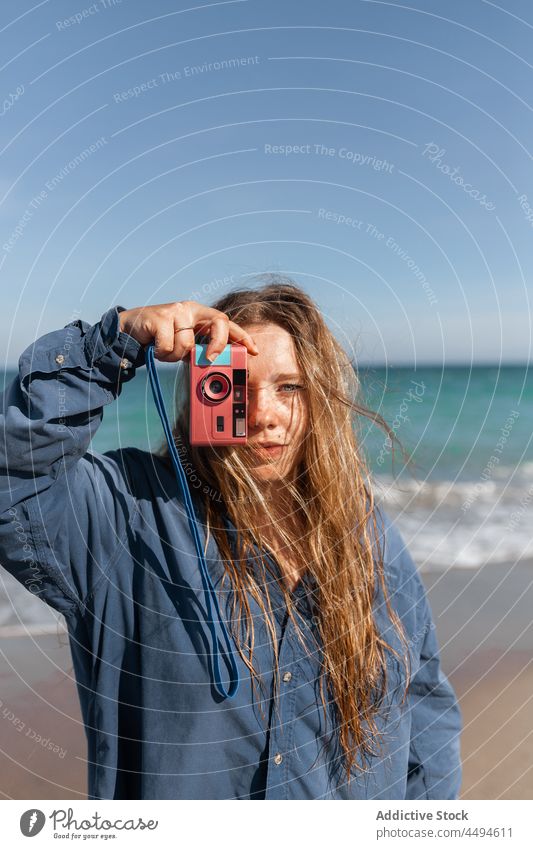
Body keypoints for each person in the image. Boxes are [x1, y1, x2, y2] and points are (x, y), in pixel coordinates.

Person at [0, 277, 461, 800]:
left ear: (322, 400)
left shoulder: (368, 535)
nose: (265, 414)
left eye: (290, 387)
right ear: (202, 388)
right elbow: (14, 481)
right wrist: (113, 344)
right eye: (238, 386)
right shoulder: (127, 517)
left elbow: (424, 711)